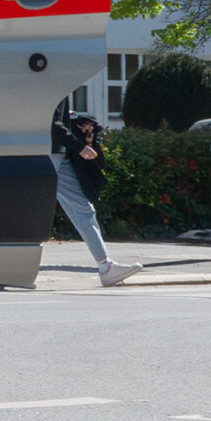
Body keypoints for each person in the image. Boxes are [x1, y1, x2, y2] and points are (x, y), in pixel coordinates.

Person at [52, 103, 139, 287]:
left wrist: (72, 119)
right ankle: (105, 267)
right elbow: (49, 122)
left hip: (54, 154)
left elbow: (50, 119)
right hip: (50, 155)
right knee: (81, 211)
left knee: (83, 210)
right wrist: (78, 146)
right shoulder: (51, 78)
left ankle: (105, 266)